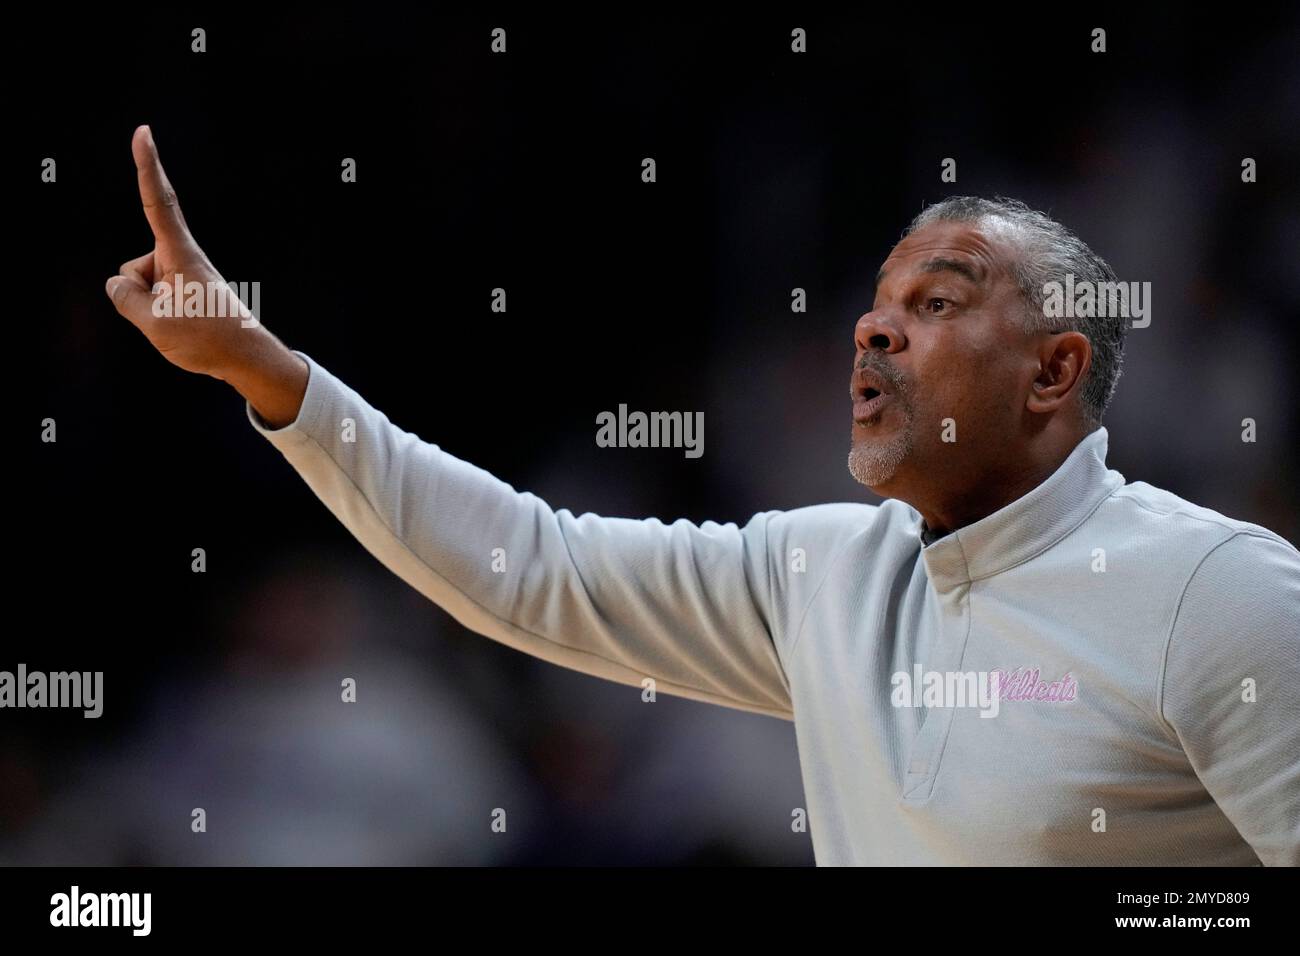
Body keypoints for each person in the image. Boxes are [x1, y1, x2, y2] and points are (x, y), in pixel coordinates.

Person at [106, 125, 1300, 866]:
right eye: (877, 299)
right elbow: (526, 562)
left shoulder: (1220, 592)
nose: (875, 325)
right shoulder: (823, 571)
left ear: (1054, 369)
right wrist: (264, 371)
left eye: (938, 301)